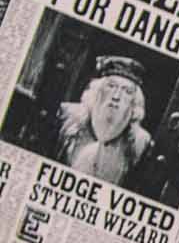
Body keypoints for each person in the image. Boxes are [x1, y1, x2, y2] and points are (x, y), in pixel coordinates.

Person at [56, 49, 151, 184]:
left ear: (134, 102)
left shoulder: (139, 142)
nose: (116, 97)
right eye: (111, 86)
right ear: (97, 90)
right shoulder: (69, 118)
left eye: (127, 91)